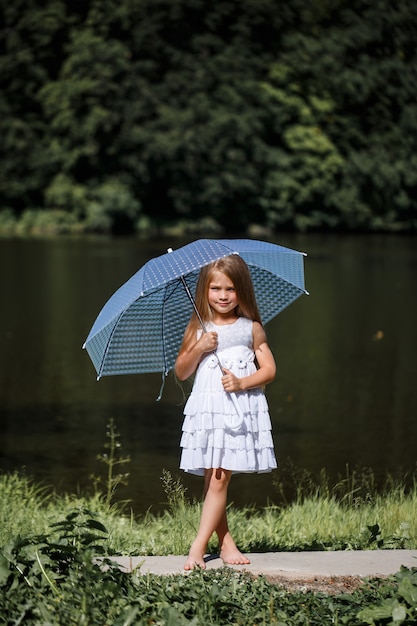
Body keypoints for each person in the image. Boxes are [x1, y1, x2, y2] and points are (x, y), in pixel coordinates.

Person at [175, 254, 277, 570]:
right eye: (215, 288)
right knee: (212, 478)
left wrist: (242, 381)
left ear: (241, 290)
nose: (222, 296)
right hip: (208, 412)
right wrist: (199, 347)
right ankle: (226, 543)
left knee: (218, 479)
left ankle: (196, 548)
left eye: (230, 289)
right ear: (204, 290)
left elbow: (270, 370)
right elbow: (181, 371)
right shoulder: (198, 327)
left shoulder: (251, 329)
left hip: (235, 412)